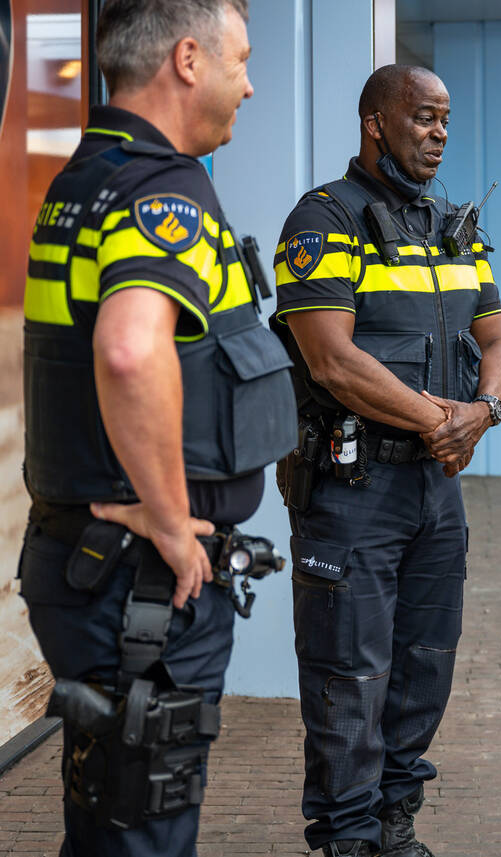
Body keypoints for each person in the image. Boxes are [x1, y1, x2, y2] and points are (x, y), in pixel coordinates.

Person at [18, 2, 296, 855]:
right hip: (137, 583)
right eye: (240, 60)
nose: (251, 84)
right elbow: (133, 351)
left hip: (85, 562)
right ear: (186, 59)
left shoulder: (83, 178)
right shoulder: (162, 190)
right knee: (142, 830)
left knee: (109, 817)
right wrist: (175, 527)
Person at [271, 64, 501, 857]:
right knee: (349, 675)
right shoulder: (324, 221)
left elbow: (497, 340)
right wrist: (441, 423)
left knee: (423, 663)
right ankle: (345, 838)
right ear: (376, 121)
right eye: (422, 118)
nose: (439, 133)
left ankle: (392, 821)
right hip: (354, 486)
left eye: (445, 119)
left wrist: (483, 413)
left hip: (434, 488)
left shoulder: (455, 225)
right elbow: (331, 360)